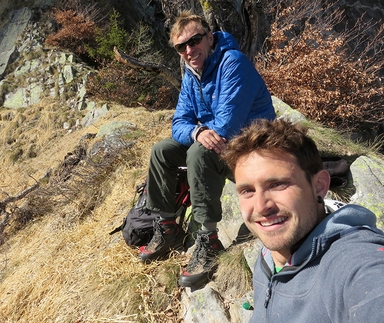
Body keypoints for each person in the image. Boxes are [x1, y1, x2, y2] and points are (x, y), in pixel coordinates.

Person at [137, 10, 276, 289]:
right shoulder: (192, 76)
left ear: (210, 38)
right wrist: (197, 131)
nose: (189, 50)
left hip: (253, 149)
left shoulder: (232, 63)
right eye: (181, 46)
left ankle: (208, 239)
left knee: (198, 153)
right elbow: (179, 123)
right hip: (224, 146)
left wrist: (201, 134)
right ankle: (167, 227)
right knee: (163, 150)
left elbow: (228, 125)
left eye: (195, 40)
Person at [222, 118, 384, 322]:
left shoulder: (354, 261)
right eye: (247, 190)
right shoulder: (267, 257)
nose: (261, 206)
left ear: (319, 186)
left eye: (278, 184)